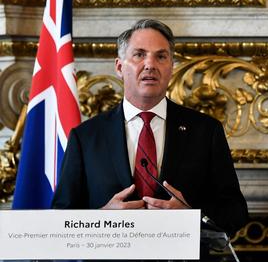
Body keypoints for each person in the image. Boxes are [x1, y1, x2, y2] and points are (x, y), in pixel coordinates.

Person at [52, 19, 248, 236]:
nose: (150, 64)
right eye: (139, 55)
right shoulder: (86, 136)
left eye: (161, 56)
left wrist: (191, 216)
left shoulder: (205, 131)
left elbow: (235, 212)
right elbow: (61, 216)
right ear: (119, 66)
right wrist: (101, 218)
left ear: (171, 67)